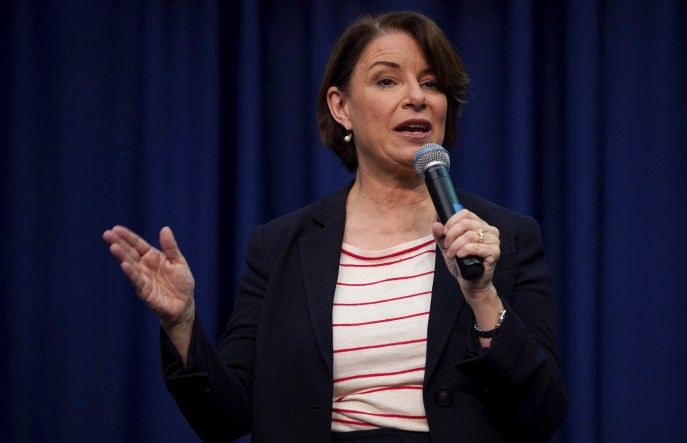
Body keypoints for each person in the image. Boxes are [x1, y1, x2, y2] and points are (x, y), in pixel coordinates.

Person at [103, 10, 567, 443]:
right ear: (341, 106)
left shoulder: (503, 237)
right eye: (387, 80)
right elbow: (226, 416)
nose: (417, 98)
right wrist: (182, 323)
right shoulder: (280, 245)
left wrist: (483, 296)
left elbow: (541, 417)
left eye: (432, 84)